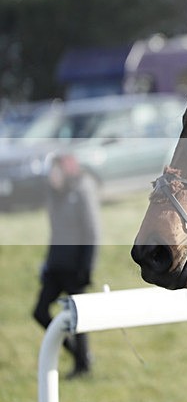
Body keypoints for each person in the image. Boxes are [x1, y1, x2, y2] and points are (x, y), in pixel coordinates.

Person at [33, 153, 100, 378]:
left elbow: (92, 232)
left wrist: (87, 268)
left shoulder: (82, 189)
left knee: (77, 317)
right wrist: (46, 264)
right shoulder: (53, 194)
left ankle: (83, 365)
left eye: (56, 171)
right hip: (55, 266)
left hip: (75, 267)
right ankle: (76, 353)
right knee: (40, 312)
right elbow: (55, 233)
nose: (52, 176)